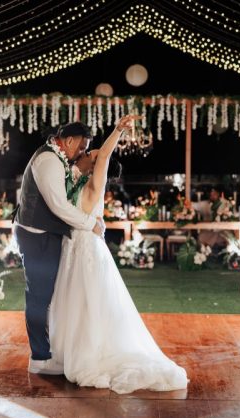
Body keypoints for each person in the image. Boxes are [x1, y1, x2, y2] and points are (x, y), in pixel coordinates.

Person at [49, 115, 188, 394]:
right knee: (75, 304)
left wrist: (117, 131)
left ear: (98, 165)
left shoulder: (95, 182)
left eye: (91, 154)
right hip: (73, 247)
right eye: (87, 152)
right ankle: (68, 353)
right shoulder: (76, 180)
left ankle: (88, 356)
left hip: (87, 249)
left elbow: (104, 154)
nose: (87, 154)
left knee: (89, 304)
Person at [14, 121, 105, 375]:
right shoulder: (48, 160)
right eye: (82, 147)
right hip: (36, 236)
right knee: (38, 296)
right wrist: (90, 224)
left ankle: (49, 351)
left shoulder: (57, 159)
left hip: (45, 234)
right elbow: (58, 205)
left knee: (49, 295)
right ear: (69, 141)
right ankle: (39, 358)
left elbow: (62, 190)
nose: (82, 153)